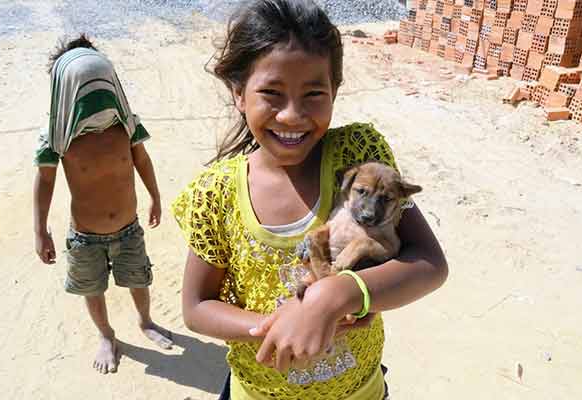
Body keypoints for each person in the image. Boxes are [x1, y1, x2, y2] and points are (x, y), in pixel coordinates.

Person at [172, 0, 448, 398]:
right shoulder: (214, 194)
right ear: (238, 93)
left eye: (314, 93)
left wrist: (340, 294)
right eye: (271, 93)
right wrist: (281, 324)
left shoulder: (359, 157)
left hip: (361, 391)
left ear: (335, 90)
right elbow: (197, 308)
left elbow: (429, 263)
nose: (291, 115)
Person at [33, 35, 173, 374]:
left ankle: (145, 321)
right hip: (85, 238)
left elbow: (141, 160)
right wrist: (41, 231)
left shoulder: (125, 125)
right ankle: (107, 335)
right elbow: (46, 180)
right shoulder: (59, 136)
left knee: (139, 279)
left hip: (129, 229)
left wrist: (155, 196)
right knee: (92, 288)